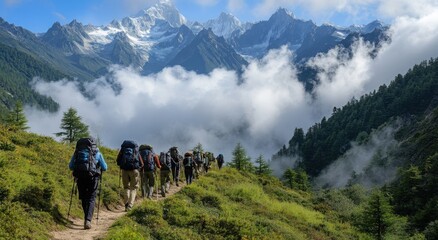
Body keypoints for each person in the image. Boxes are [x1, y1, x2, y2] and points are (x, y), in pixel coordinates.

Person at [69, 137, 107, 230]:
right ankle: (88, 220)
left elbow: (70, 166)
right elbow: (105, 167)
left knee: (83, 198)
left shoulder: (77, 153)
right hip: (93, 178)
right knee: (91, 198)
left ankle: (86, 217)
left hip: (80, 177)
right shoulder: (97, 153)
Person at [116, 140, 143, 211]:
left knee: (126, 187)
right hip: (134, 170)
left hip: (124, 170)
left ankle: (126, 204)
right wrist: (139, 168)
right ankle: (130, 205)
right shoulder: (136, 151)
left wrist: (122, 165)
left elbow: (118, 161)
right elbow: (141, 163)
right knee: (133, 188)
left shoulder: (123, 150)